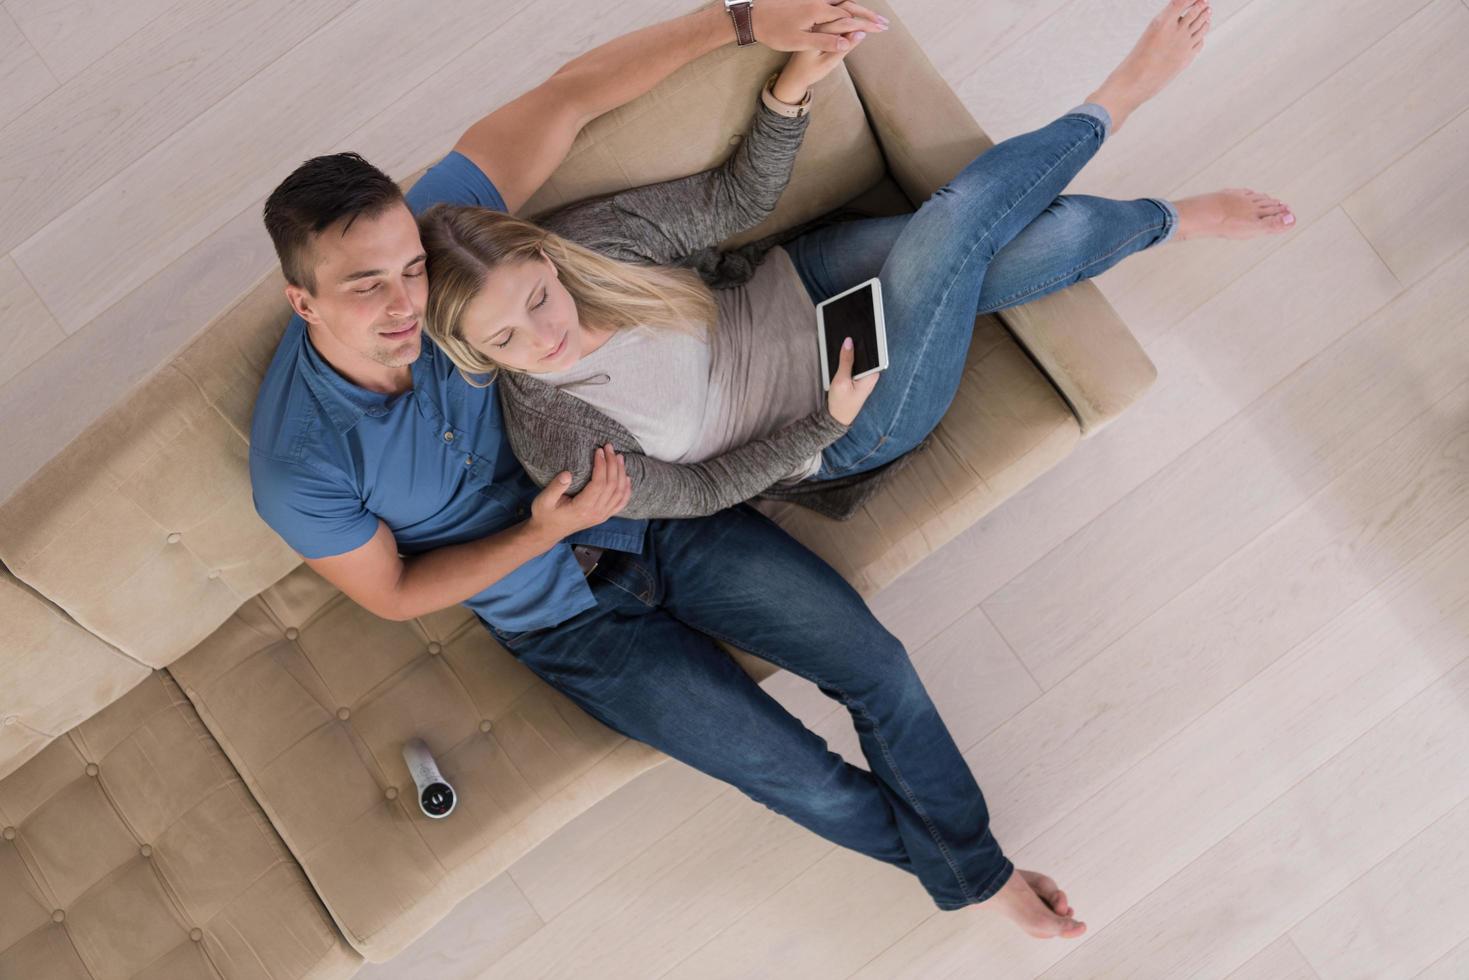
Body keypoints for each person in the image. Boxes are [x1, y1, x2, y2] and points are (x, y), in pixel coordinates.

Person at [250, 0, 1088, 941]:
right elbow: (397, 593)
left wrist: (740, 20)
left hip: (665, 516)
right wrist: (541, 532)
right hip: (564, 620)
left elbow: (566, 99)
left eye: (407, 267)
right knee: (786, 770)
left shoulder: (446, 253)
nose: (407, 304)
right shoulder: (298, 463)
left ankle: (973, 872)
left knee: (875, 666)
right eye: (366, 289)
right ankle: (981, 875)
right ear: (303, 300)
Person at [418, 0, 1294, 523]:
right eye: (505, 339)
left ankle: (1166, 220)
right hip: (845, 415)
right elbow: (697, 492)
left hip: (804, 286)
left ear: (542, 256)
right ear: (473, 354)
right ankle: (1119, 100)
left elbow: (731, 204)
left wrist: (792, 85)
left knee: (1002, 236)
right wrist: (825, 426)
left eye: (538, 297)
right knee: (954, 229)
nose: (544, 335)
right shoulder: (555, 438)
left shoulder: (588, 247)